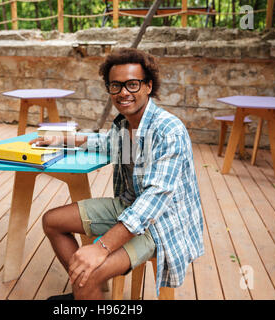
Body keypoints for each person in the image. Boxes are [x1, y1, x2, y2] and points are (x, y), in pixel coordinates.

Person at [29, 48, 204, 300]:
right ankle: (88, 292)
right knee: (52, 221)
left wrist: (101, 247)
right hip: (129, 207)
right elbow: (104, 143)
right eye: (116, 85)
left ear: (148, 86)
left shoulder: (169, 130)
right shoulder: (124, 124)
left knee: (92, 268)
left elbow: (154, 199)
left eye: (132, 84)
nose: (124, 92)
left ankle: (86, 286)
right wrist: (62, 139)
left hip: (162, 224)